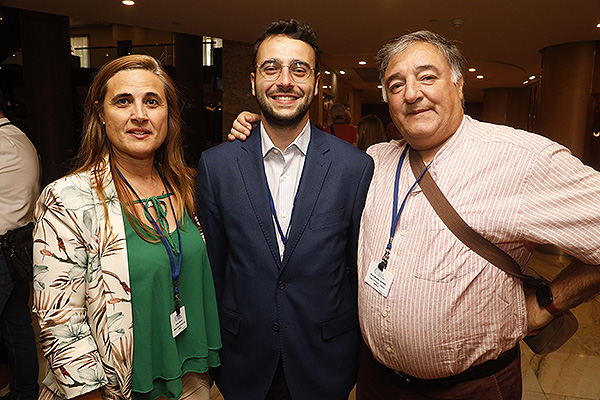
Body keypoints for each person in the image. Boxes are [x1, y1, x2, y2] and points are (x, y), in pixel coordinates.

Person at [355, 30, 600, 399]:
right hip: (378, 382)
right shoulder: (375, 161)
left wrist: (550, 301)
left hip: (471, 388)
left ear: (459, 85)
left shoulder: (520, 160)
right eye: (396, 84)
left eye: (427, 77)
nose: (412, 93)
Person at [197, 19, 373, 400]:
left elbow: (356, 272)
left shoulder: (354, 167)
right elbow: (214, 270)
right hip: (242, 361)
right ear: (253, 81)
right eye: (271, 68)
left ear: (316, 82)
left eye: (299, 69)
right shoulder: (217, 166)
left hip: (325, 362)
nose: (285, 81)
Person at [33, 55, 221, 400]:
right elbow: (60, 321)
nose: (139, 114)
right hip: (115, 389)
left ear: (168, 115)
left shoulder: (187, 188)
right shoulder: (68, 199)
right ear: (100, 114)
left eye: (152, 101)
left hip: (193, 379)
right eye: (123, 101)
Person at [0, 92, 40, 400]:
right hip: (17, 248)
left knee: (17, 328)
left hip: (3, 250)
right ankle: (24, 393)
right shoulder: (21, 138)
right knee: (17, 328)